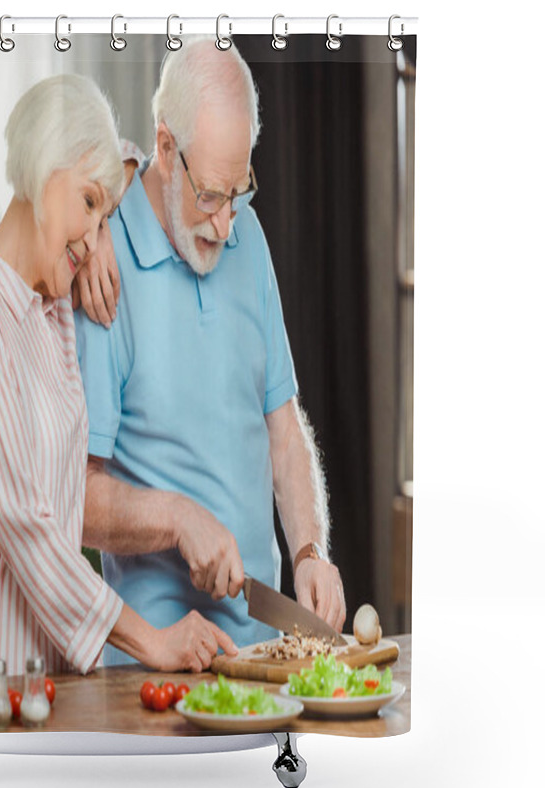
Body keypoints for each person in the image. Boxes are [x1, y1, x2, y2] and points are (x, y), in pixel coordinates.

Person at [0, 75, 237, 681]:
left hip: (57, 688)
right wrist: (152, 642)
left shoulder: (48, 310)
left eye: (106, 215)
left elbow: (121, 149)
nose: (98, 238)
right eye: (89, 204)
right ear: (46, 171)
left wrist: (92, 220)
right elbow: (27, 527)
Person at [75, 39, 346, 666]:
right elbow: (75, 501)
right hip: (157, 667)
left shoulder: (246, 235)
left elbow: (283, 429)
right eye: (209, 197)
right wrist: (177, 519)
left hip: (265, 654)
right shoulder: (102, 265)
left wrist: (308, 551)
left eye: (239, 189)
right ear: (165, 149)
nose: (227, 224)